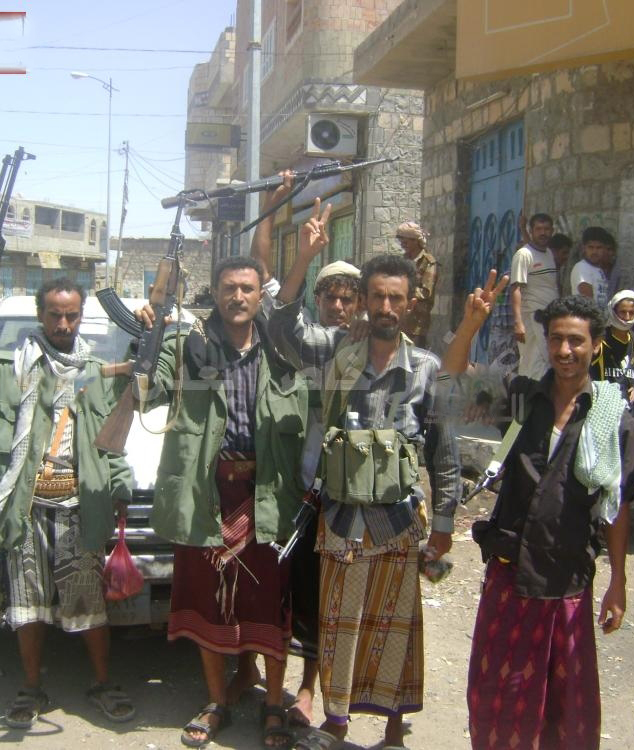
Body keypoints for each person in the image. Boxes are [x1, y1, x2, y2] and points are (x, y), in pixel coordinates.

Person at [268, 211, 462, 750]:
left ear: (411, 303)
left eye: (396, 298)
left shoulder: (426, 369)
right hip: (341, 518)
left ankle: (394, 731)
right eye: (377, 297)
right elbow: (281, 327)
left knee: (396, 629)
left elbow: (444, 454)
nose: (386, 308)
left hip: (398, 521)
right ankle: (336, 723)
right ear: (363, 301)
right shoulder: (336, 351)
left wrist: (444, 526)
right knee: (339, 627)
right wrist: (304, 258)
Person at [449, 294, 634, 750]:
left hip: (565, 580)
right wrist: (470, 325)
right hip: (510, 572)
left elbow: (617, 506)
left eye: (576, 340)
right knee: (498, 701)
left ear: (595, 345)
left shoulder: (612, 418)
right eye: (556, 339)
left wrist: (618, 581)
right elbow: (452, 376)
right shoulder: (522, 399)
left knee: (564, 712)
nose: (564, 350)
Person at [0, 277, 136, 729]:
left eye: (71, 315)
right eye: (55, 315)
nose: (63, 324)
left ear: (81, 316)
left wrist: (121, 488)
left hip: (79, 508)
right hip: (25, 510)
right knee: (27, 606)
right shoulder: (5, 370)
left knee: (89, 605)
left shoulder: (98, 374)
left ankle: (103, 683)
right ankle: (31, 689)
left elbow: (111, 443)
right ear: (40, 315)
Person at [136, 255, 309, 749]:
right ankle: (217, 702)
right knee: (205, 600)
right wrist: (147, 339)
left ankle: (272, 705)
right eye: (229, 288)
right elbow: (148, 393)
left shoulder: (281, 348)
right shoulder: (185, 345)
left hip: (267, 492)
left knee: (270, 601)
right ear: (214, 293)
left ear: (259, 296)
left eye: (247, 288)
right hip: (205, 494)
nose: (238, 297)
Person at [250, 189, 360, 729]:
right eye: (330, 297)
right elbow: (276, 307)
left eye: (348, 299)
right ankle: (267, 677)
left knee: (326, 596)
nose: (338, 307)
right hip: (297, 483)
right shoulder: (310, 340)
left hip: (345, 492)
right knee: (284, 588)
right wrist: (300, 251)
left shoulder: (372, 347)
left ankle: (312, 688)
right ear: (319, 299)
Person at [510, 212, 558, 379]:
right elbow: (515, 288)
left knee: (546, 361)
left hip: (549, 317)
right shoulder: (523, 255)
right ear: (532, 231)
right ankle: (527, 392)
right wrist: (518, 323)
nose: (543, 233)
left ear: (552, 230)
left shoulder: (548, 253)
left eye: (546, 229)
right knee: (533, 361)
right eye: (538, 229)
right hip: (532, 316)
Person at [590, 289, 634, 407]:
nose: (627, 317)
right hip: (602, 403)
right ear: (613, 311)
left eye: (632, 312)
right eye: (622, 312)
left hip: (626, 405)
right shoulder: (601, 338)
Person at [396, 220, 438, 348]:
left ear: (415, 241)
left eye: (406, 242)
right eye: (401, 242)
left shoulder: (428, 263)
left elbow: (426, 292)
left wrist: (403, 290)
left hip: (417, 325)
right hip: (399, 320)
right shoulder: (402, 260)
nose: (403, 245)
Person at [570, 226, 613, 307]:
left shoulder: (598, 270)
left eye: (598, 247)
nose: (594, 252)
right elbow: (588, 302)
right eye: (591, 247)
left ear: (604, 249)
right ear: (584, 248)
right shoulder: (582, 267)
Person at [549, 232, 574, 298]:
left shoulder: (562, 271)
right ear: (553, 252)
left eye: (568, 253)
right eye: (564, 253)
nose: (567, 256)